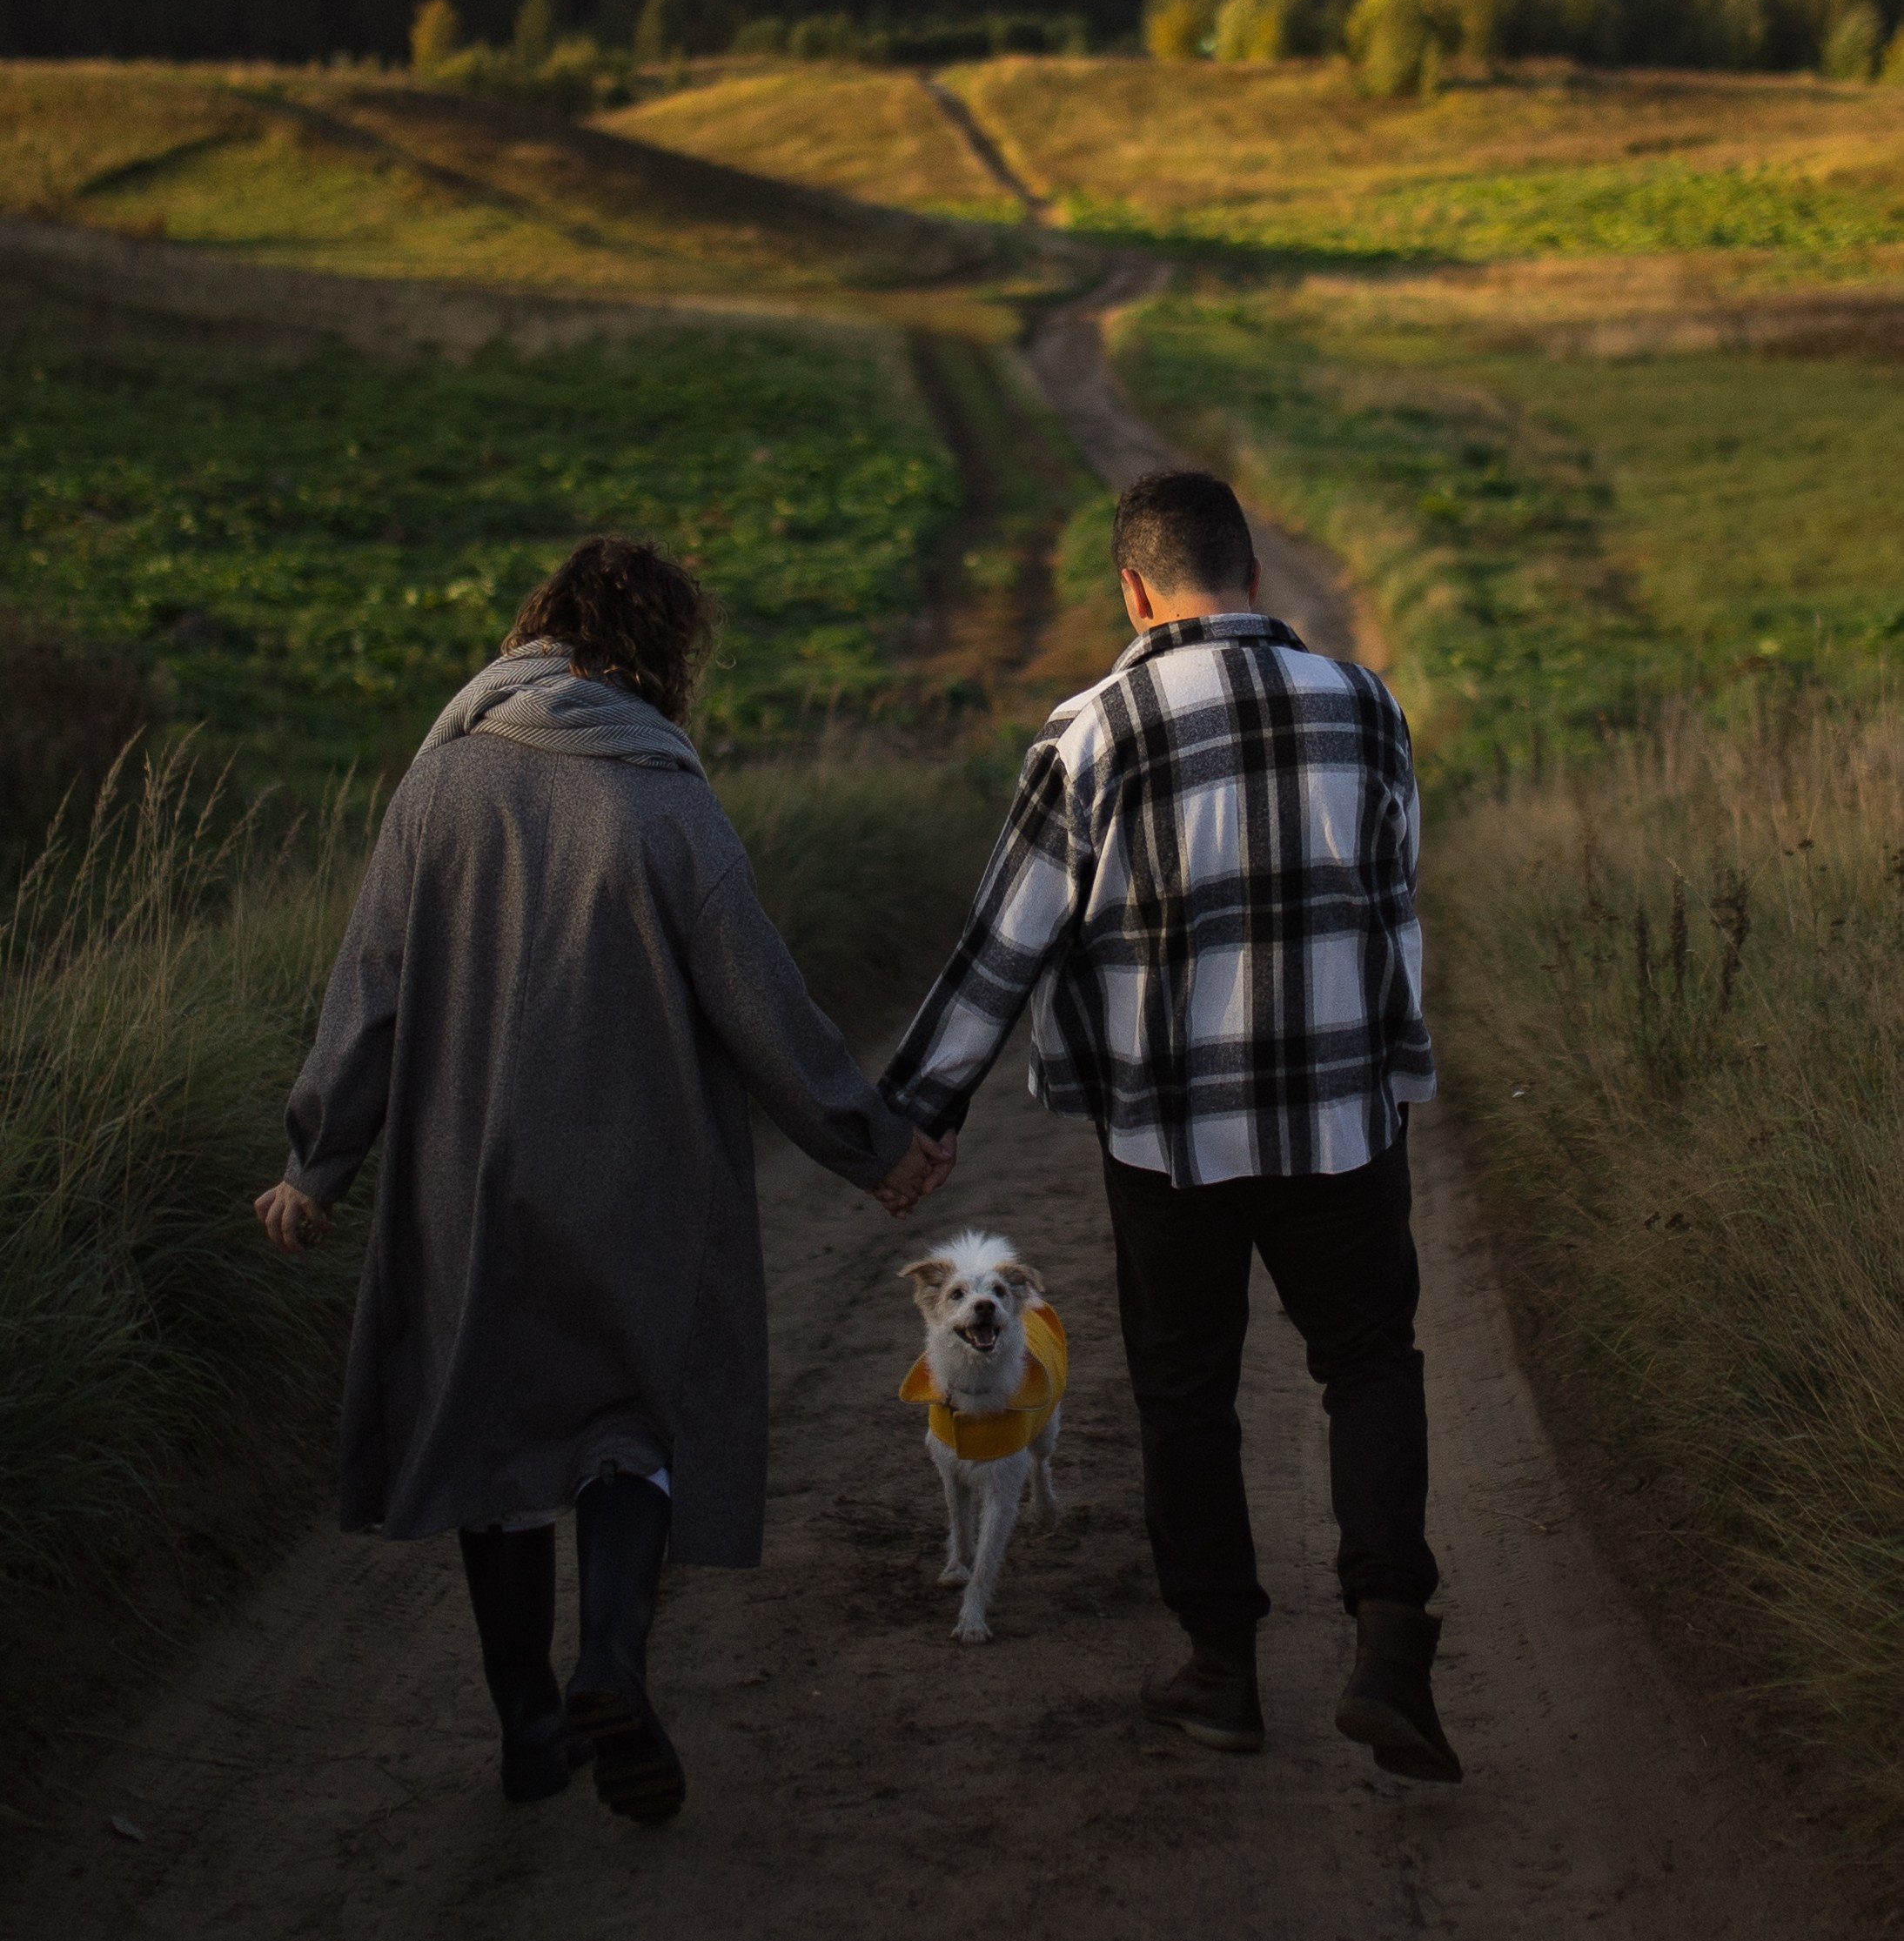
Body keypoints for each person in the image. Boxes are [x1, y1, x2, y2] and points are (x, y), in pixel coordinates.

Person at [256, 535, 949, 1824]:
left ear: (541, 633)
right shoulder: (667, 797)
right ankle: (614, 1660)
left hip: (463, 1183)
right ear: (660, 656)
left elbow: (372, 993)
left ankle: (528, 1727)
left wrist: (317, 1162)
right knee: (632, 1422)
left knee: (497, 1440)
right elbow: (765, 1006)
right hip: (637, 1181)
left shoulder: (440, 784)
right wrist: (877, 1144)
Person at [880, 471, 1459, 1780]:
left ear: (1134, 593)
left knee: (1186, 1389)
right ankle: (1386, 1644)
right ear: (1251, 578)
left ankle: (1223, 1672)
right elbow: (1395, 902)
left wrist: (915, 1116)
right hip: (1340, 1121)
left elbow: (1001, 948)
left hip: (1168, 1138)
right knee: (1368, 1361)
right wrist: (1393, 1065)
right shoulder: (1372, 710)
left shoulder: (1089, 733)